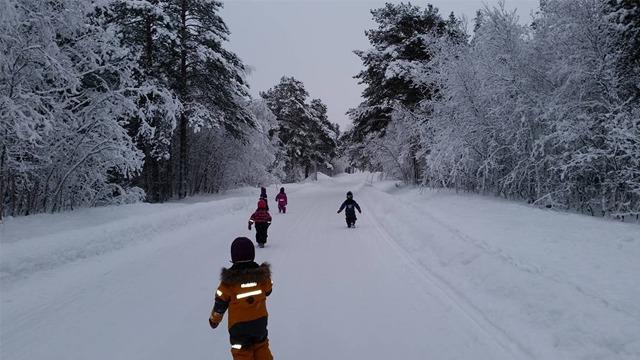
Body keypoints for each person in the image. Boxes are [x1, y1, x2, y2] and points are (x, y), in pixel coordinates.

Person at [209, 237, 274, 360]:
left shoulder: (228, 283)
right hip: (259, 324)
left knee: (242, 352)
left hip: (239, 328)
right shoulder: (261, 276)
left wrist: (214, 320)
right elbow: (269, 290)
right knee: (261, 346)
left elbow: (220, 304)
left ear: (233, 257)